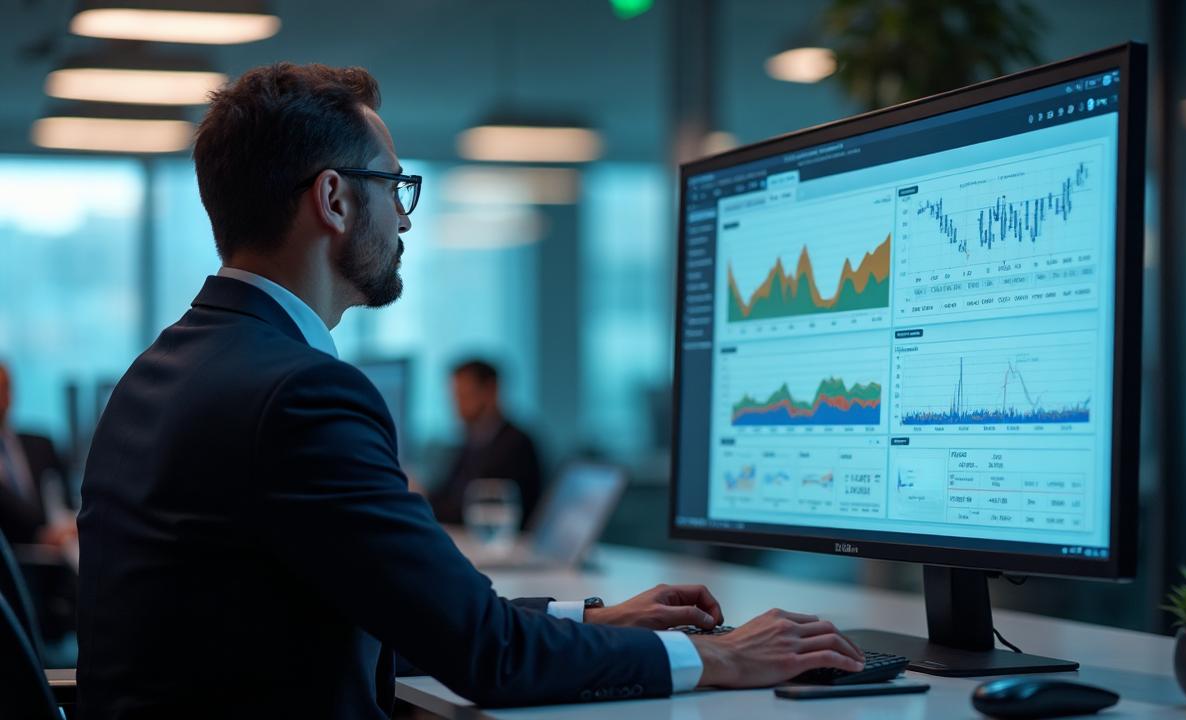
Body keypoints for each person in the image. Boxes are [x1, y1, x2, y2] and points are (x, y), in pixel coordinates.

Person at [76, 63, 864, 718]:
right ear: (335, 199)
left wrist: (596, 616)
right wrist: (718, 657)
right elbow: (489, 657)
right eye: (394, 186)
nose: (404, 220)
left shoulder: (160, 371)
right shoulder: (300, 395)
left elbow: (405, 616)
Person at [430, 359, 543, 527]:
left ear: (491, 390)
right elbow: (447, 494)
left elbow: (474, 508)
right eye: (455, 397)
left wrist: (423, 502)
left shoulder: (516, 445)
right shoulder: (473, 441)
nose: (458, 406)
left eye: (465, 396)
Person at [0, 362, 76, 549]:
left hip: (55, 549)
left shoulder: (41, 444)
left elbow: (66, 498)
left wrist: (66, 525)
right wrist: (39, 535)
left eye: (4, 388)